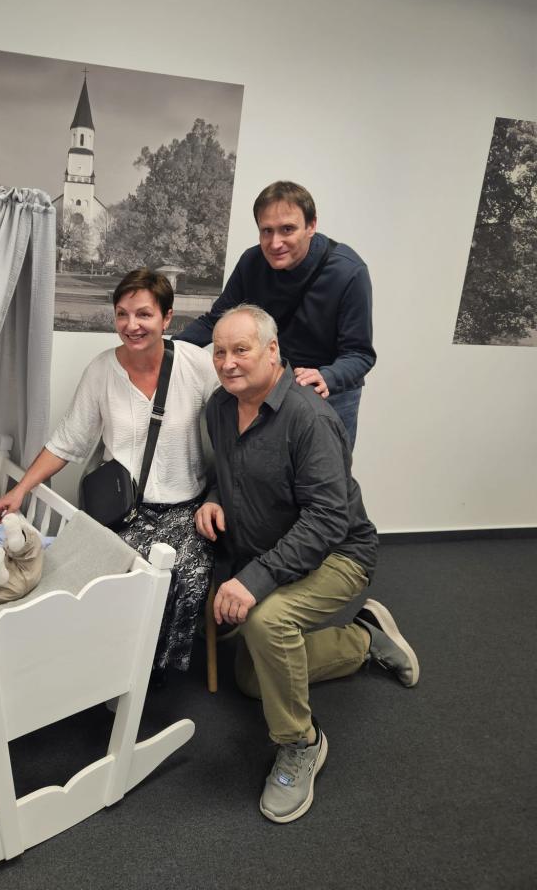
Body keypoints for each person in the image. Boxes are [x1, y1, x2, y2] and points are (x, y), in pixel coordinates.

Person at [194, 304, 418, 824]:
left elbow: (327, 520)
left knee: (267, 622)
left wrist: (253, 580)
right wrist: (212, 497)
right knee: (252, 680)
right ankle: (364, 641)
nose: (227, 362)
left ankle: (301, 743)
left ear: (272, 351)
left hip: (339, 553)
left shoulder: (309, 418)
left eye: (241, 349)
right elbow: (228, 472)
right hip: (276, 550)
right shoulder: (220, 407)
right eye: (219, 352)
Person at [0, 268, 218, 678]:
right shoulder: (101, 371)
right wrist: (20, 490)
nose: (131, 325)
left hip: (187, 509)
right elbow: (67, 440)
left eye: (144, 314)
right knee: (109, 581)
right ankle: (101, 666)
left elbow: (242, 398)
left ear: (167, 317)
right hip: (124, 510)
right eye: (122, 314)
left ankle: (148, 676)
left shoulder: (196, 364)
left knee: (185, 578)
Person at [174, 180, 375, 447]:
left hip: (327, 393)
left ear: (311, 225)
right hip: (269, 389)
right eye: (266, 231)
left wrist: (326, 376)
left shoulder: (349, 272)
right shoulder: (252, 262)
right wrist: (167, 350)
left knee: (323, 471)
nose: (275, 243)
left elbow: (359, 354)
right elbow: (216, 320)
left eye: (287, 229)